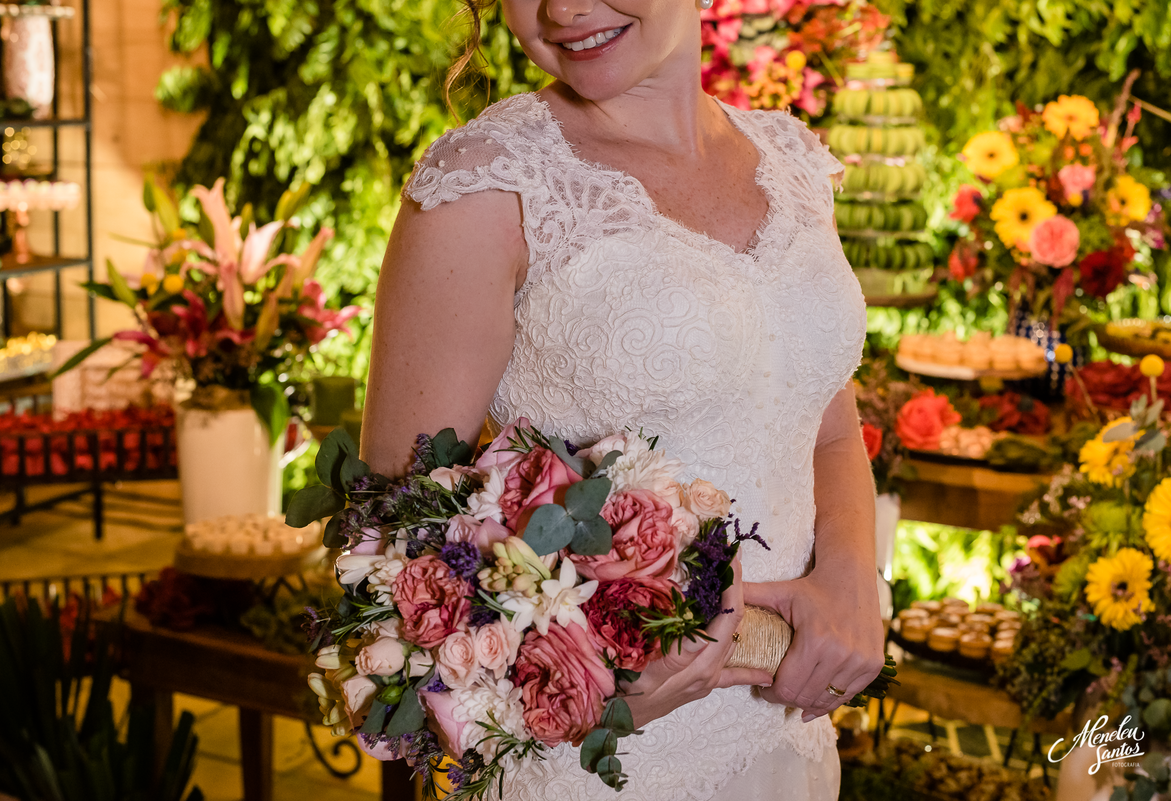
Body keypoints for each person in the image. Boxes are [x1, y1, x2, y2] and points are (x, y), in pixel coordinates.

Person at [358, 0, 885, 794]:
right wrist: (588, 695)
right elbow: (390, 545)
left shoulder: (790, 159)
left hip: (787, 743)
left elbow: (825, 426)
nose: (561, 9)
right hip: (594, 765)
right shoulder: (485, 187)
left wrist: (852, 572)